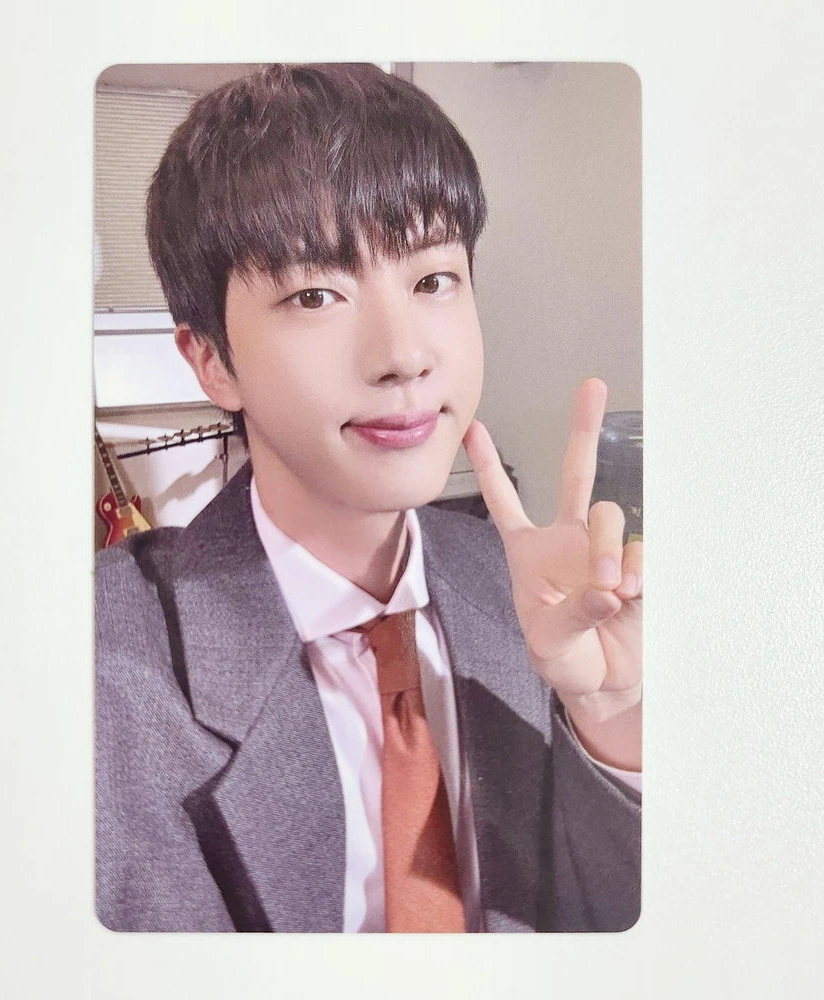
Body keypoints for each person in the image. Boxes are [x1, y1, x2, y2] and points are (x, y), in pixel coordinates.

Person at [95, 62, 642, 933]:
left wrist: (613, 723)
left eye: (433, 281)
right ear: (211, 362)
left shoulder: (534, 595)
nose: (404, 355)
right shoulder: (100, 670)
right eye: (317, 294)